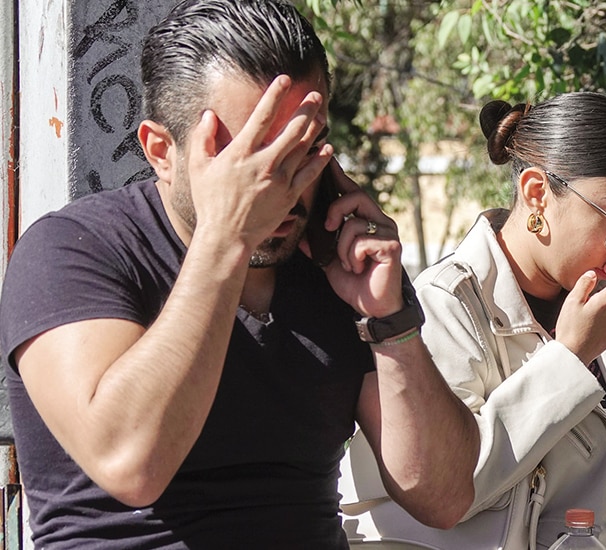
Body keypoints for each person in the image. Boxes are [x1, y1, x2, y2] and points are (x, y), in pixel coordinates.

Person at [0, 1, 477, 548]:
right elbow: (131, 463)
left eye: (303, 148)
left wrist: (389, 320)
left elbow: (442, 498)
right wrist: (226, 239)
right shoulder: (75, 252)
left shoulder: (335, 261)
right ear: (161, 151)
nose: (282, 184)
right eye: (251, 154)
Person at [351, 92, 606, 549]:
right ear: (537, 194)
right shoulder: (443, 303)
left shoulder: (584, 294)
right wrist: (571, 355)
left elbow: (584, 463)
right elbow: (448, 490)